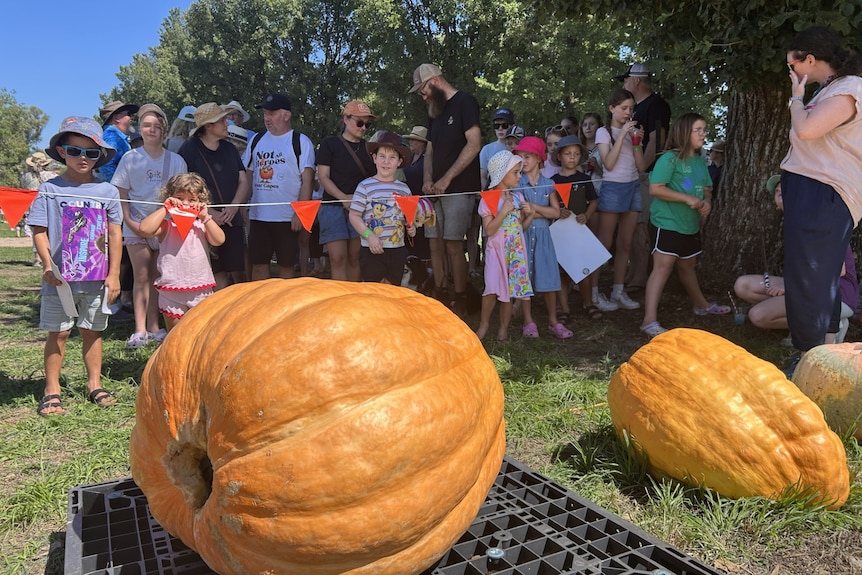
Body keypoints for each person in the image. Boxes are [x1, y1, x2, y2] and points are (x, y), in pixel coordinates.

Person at [27, 117, 122, 416]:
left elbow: (115, 233)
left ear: (99, 157)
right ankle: (51, 390)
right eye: (75, 150)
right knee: (59, 333)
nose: (83, 158)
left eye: (91, 153)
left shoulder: (108, 191)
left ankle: (95, 384)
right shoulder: (49, 189)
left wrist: (115, 274)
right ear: (62, 151)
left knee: (92, 331)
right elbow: (39, 229)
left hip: (96, 280)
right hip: (59, 280)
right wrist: (47, 264)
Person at [780, 26, 862, 360]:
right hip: (815, 191)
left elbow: (808, 129)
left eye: (792, 66)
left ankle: (807, 357)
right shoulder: (831, 90)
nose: (791, 73)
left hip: (824, 192)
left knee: (808, 275)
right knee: (818, 275)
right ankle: (823, 355)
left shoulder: (850, 87)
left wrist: (796, 99)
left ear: (810, 59)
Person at [735, 175, 858, 344]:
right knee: (743, 285)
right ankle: (804, 321)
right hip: (807, 285)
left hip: (836, 293)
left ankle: (824, 328)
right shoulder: (793, 223)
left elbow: (837, 270)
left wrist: (790, 290)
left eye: (785, 189)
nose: (780, 191)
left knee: (758, 315)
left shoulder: (818, 220)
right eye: (777, 191)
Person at [639, 113, 729, 337]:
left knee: (687, 266)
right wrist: (686, 198)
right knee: (663, 268)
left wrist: (707, 202)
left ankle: (701, 306)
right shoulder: (669, 159)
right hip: (667, 222)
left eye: (704, 130)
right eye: (698, 130)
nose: (703, 134)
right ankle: (648, 321)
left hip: (690, 224)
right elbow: (656, 188)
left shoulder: (700, 161)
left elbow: (707, 188)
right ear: (683, 132)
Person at [112, 104, 188, 348]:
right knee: (141, 275)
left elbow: (182, 194)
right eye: (146, 125)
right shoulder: (130, 159)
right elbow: (120, 193)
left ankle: (155, 328)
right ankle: (139, 329)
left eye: (157, 126)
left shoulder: (176, 161)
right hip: (135, 223)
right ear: (140, 129)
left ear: (164, 130)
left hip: (164, 227)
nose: (151, 129)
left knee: (158, 276)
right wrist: (130, 222)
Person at [409, 63, 482, 316]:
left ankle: (460, 297)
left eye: (423, 90)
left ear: (435, 81)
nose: (423, 96)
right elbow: (429, 150)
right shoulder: (434, 111)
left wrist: (447, 179)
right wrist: (427, 179)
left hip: (458, 188)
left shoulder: (465, 102)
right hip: (434, 191)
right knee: (434, 245)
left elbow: (474, 144)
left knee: (453, 244)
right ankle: (439, 294)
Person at [138, 173, 225, 332]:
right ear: (170, 198)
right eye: (180, 198)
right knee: (176, 336)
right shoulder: (166, 226)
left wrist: (206, 217)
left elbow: (219, 240)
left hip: (200, 289)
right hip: (172, 289)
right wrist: (165, 209)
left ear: (201, 202)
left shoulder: (202, 225)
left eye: (191, 200)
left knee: (199, 333)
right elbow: (144, 229)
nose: (185, 204)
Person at [243, 93, 315, 281]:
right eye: (265, 113)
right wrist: (241, 206)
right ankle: (260, 306)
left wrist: (300, 213)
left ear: (286, 115)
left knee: (287, 268)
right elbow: (247, 176)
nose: (267, 118)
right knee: (258, 266)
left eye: (272, 114)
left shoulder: (300, 141)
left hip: (287, 218)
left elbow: (307, 180)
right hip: (259, 216)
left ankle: (286, 309)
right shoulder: (256, 140)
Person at [179, 102, 250, 289]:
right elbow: (183, 188)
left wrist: (234, 207)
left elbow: (243, 181)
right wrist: (208, 213)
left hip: (231, 219)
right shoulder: (189, 149)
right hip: (203, 221)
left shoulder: (230, 149)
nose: (227, 124)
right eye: (221, 120)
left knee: (236, 270)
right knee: (214, 272)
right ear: (208, 126)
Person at [617, 63, 672, 292]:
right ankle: (633, 271)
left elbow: (658, 139)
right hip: (635, 174)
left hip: (647, 175)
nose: (624, 84)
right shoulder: (638, 107)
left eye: (626, 79)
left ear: (637, 80)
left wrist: (643, 169)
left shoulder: (655, 104)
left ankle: (640, 275)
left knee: (640, 225)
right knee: (632, 224)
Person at [512, 136, 570, 339]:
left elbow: (556, 213)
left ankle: (553, 321)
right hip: (524, 236)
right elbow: (519, 215)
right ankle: (529, 321)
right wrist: (541, 212)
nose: (523, 161)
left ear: (539, 158)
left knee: (549, 277)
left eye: (527, 156)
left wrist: (534, 209)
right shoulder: (517, 184)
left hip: (544, 237)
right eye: (519, 157)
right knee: (524, 277)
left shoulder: (549, 184)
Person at [595, 89, 647, 312]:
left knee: (625, 243)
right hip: (613, 188)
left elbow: (642, 166)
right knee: (605, 243)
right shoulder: (603, 132)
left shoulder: (632, 132)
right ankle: (594, 292)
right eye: (624, 108)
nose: (628, 113)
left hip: (632, 186)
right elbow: (608, 163)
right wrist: (623, 135)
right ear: (612, 108)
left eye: (631, 109)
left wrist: (636, 142)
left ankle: (618, 290)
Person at [475, 150, 534, 341]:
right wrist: (502, 212)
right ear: (501, 174)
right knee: (492, 288)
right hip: (496, 251)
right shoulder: (488, 200)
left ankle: (503, 328)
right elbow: (490, 231)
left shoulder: (518, 198)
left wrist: (530, 215)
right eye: (515, 172)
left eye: (520, 172)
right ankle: (484, 325)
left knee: (510, 291)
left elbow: (520, 228)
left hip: (515, 251)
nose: (519, 176)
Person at [316, 100, 376, 281]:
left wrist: (357, 201)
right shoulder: (329, 144)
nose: (363, 127)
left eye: (367, 124)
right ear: (345, 119)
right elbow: (323, 177)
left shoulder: (368, 148)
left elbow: (373, 181)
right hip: (332, 206)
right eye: (359, 122)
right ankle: (339, 301)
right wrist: (343, 198)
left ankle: (353, 299)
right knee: (337, 257)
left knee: (354, 257)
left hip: (360, 209)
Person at [348, 132, 416, 284]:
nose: (386, 162)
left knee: (393, 290)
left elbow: (408, 218)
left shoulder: (404, 189)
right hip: (371, 249)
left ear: (399, 161)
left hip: (397, 249)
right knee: (373, 291)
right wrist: (369, 236)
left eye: (392, 157)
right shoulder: (364, 186)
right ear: (374, 158)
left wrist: (411, 227)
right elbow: (354, 216)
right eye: (382, 156)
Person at [550, 135, 600, 321]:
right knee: (562, 273)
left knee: (583, 270)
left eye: (576, 154)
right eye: (568, 154)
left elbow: (594, 201)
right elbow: (549, 204)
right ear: (559, 156)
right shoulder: (552, 181)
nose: (572, 157)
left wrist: (586, 215)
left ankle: (588, 303)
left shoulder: (584, 179)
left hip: (579, 232)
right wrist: (558, 212)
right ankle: (564, 309)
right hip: (560, 233)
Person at [19, 152, 64, 266]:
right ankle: (50, 258)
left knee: (37, 233)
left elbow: (23, 190)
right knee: (51, 233)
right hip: (50, 206)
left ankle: (37, 258)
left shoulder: (25, 177)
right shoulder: (52, 176)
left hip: (32, 208)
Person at [402, 126, 431, 260]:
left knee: (421, 238)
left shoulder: (427, 159)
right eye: (411, 139)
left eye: (415, 140)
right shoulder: (409, 158)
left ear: (423, 143)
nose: (411, 142)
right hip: (406, 204)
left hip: (422, 206)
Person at [97, 100, 138, 183]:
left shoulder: (111, 136)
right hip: (113, 193)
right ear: (116, 118)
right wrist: (118, 187)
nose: (132, 118)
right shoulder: (111, 136)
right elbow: (105, 164)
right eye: (129, 114)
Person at [480, 108, 514, 188]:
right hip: (493, 194)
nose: (500, 129)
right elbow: (482, 176)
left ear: (513, 126)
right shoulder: (486, 149)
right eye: (496, 126)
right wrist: (490, 196)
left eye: (504, 126)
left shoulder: (518, 148)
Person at [578, 112, 604, 194]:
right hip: (583, 193)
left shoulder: (604, 147)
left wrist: (596, 167)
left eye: (592, 124)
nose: (588, 128)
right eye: (585, 125)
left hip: (602, 192)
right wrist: (579, 167)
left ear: (599, 126)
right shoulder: (578, 149)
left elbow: (611, 177)